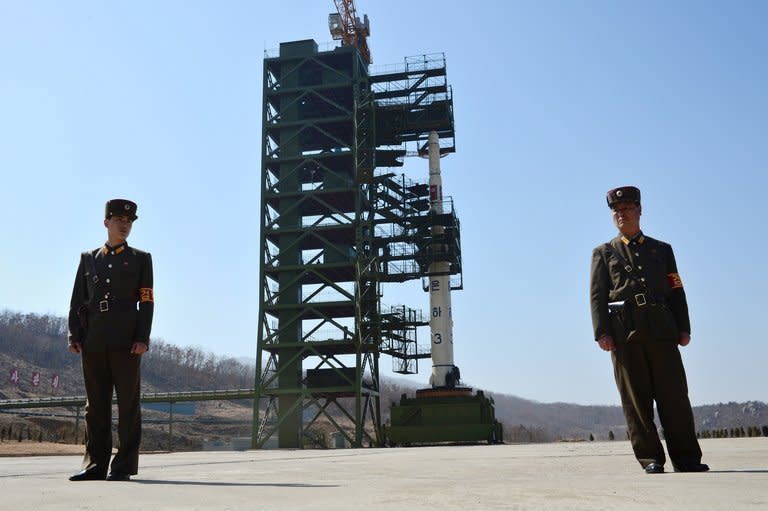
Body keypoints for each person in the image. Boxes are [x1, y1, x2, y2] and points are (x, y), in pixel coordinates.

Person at [589, 186, 708, 474]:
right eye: (617, 210)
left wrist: (684, 327)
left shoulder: (662, 250)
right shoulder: (604, 253)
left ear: (640, 211)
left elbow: (677, 290)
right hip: (624, 334)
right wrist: (601, 332)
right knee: (636, 401)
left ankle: (687, 458)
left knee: (675, 398)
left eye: (627, 208)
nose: (621, 213)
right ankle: (650, 458)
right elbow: (597, 295)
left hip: (662, 330)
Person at [67, 199, 154, 482]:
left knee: (129, 405)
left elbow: (147, 302)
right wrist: (74, 335)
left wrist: (143, 338)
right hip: (94, 341)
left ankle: (123, 466)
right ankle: (94, 465)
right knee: (95, 407)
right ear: (106, 223)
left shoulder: (141, 259)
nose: (125, 225)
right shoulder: (89, 259)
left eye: (129, 221)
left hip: (127, 342)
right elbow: (77, 300)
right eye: (119, 220)